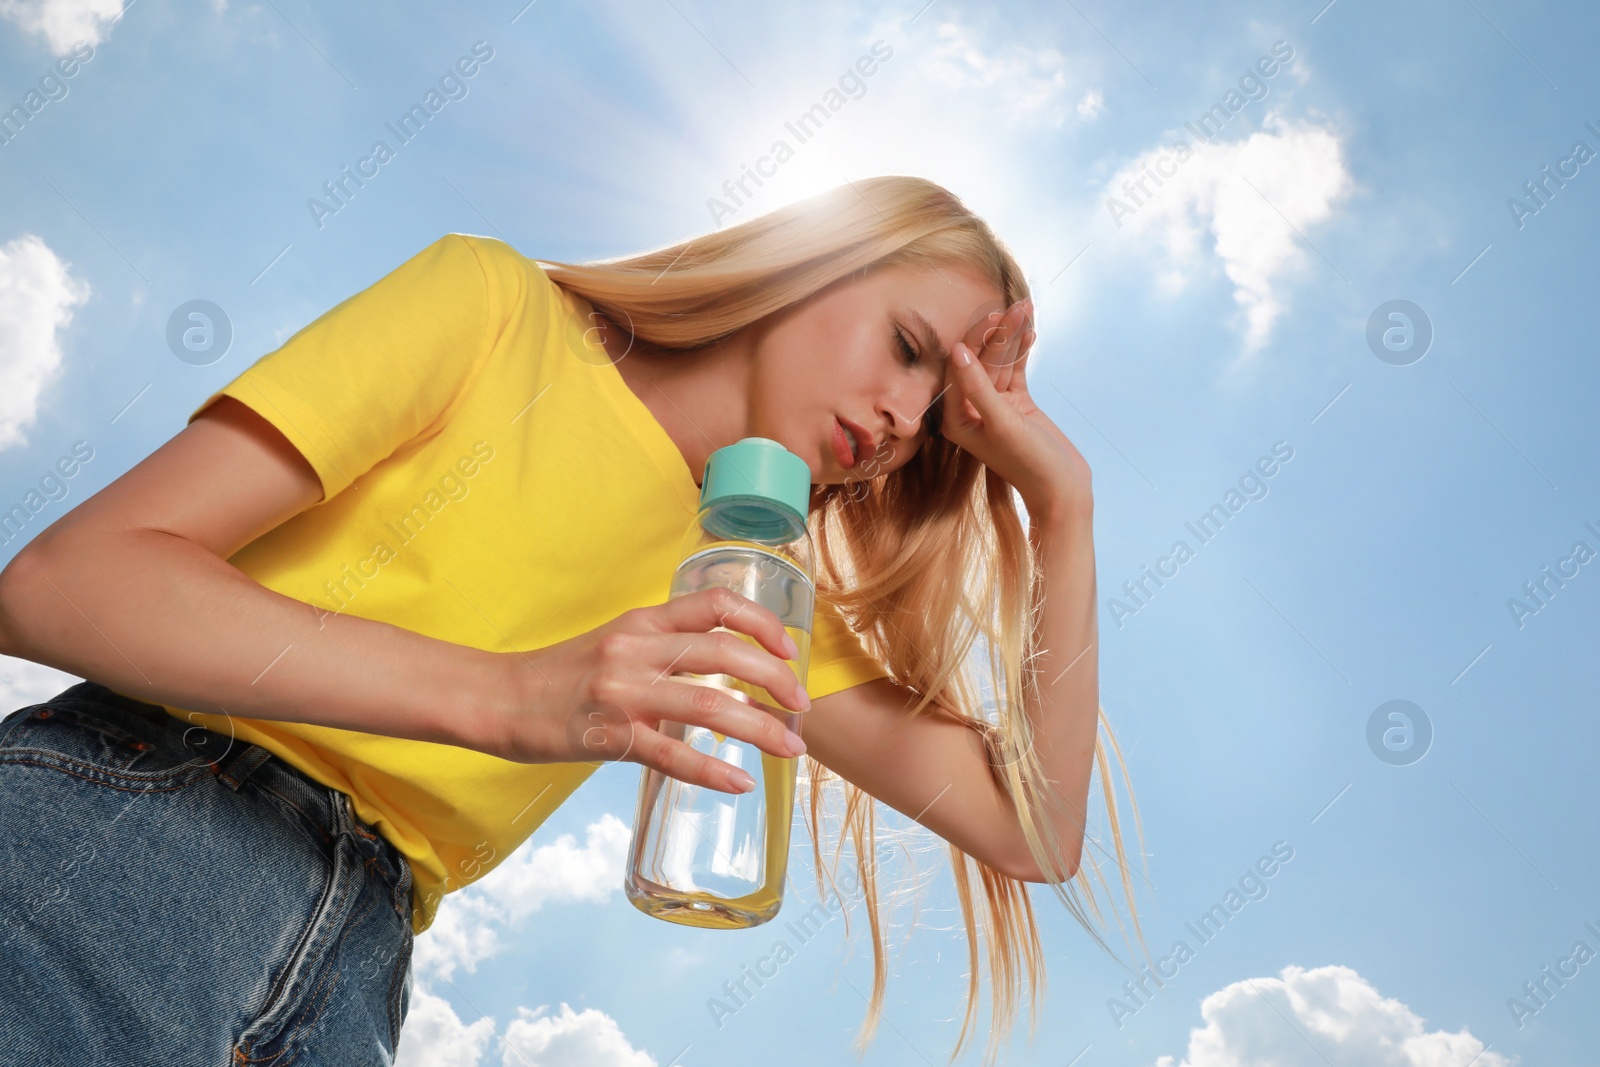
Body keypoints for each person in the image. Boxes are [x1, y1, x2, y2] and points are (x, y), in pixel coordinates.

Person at [0, 175, 1141, 1066]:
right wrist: (506, 694)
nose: (902, 416)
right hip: (131, 821)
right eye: (905, 348)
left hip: (358, 968)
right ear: (808, 264)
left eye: (938, 421)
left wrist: (1062, 503)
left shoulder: (756, 592)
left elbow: (1030, 830)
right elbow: (64, 581)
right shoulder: (499, 310)